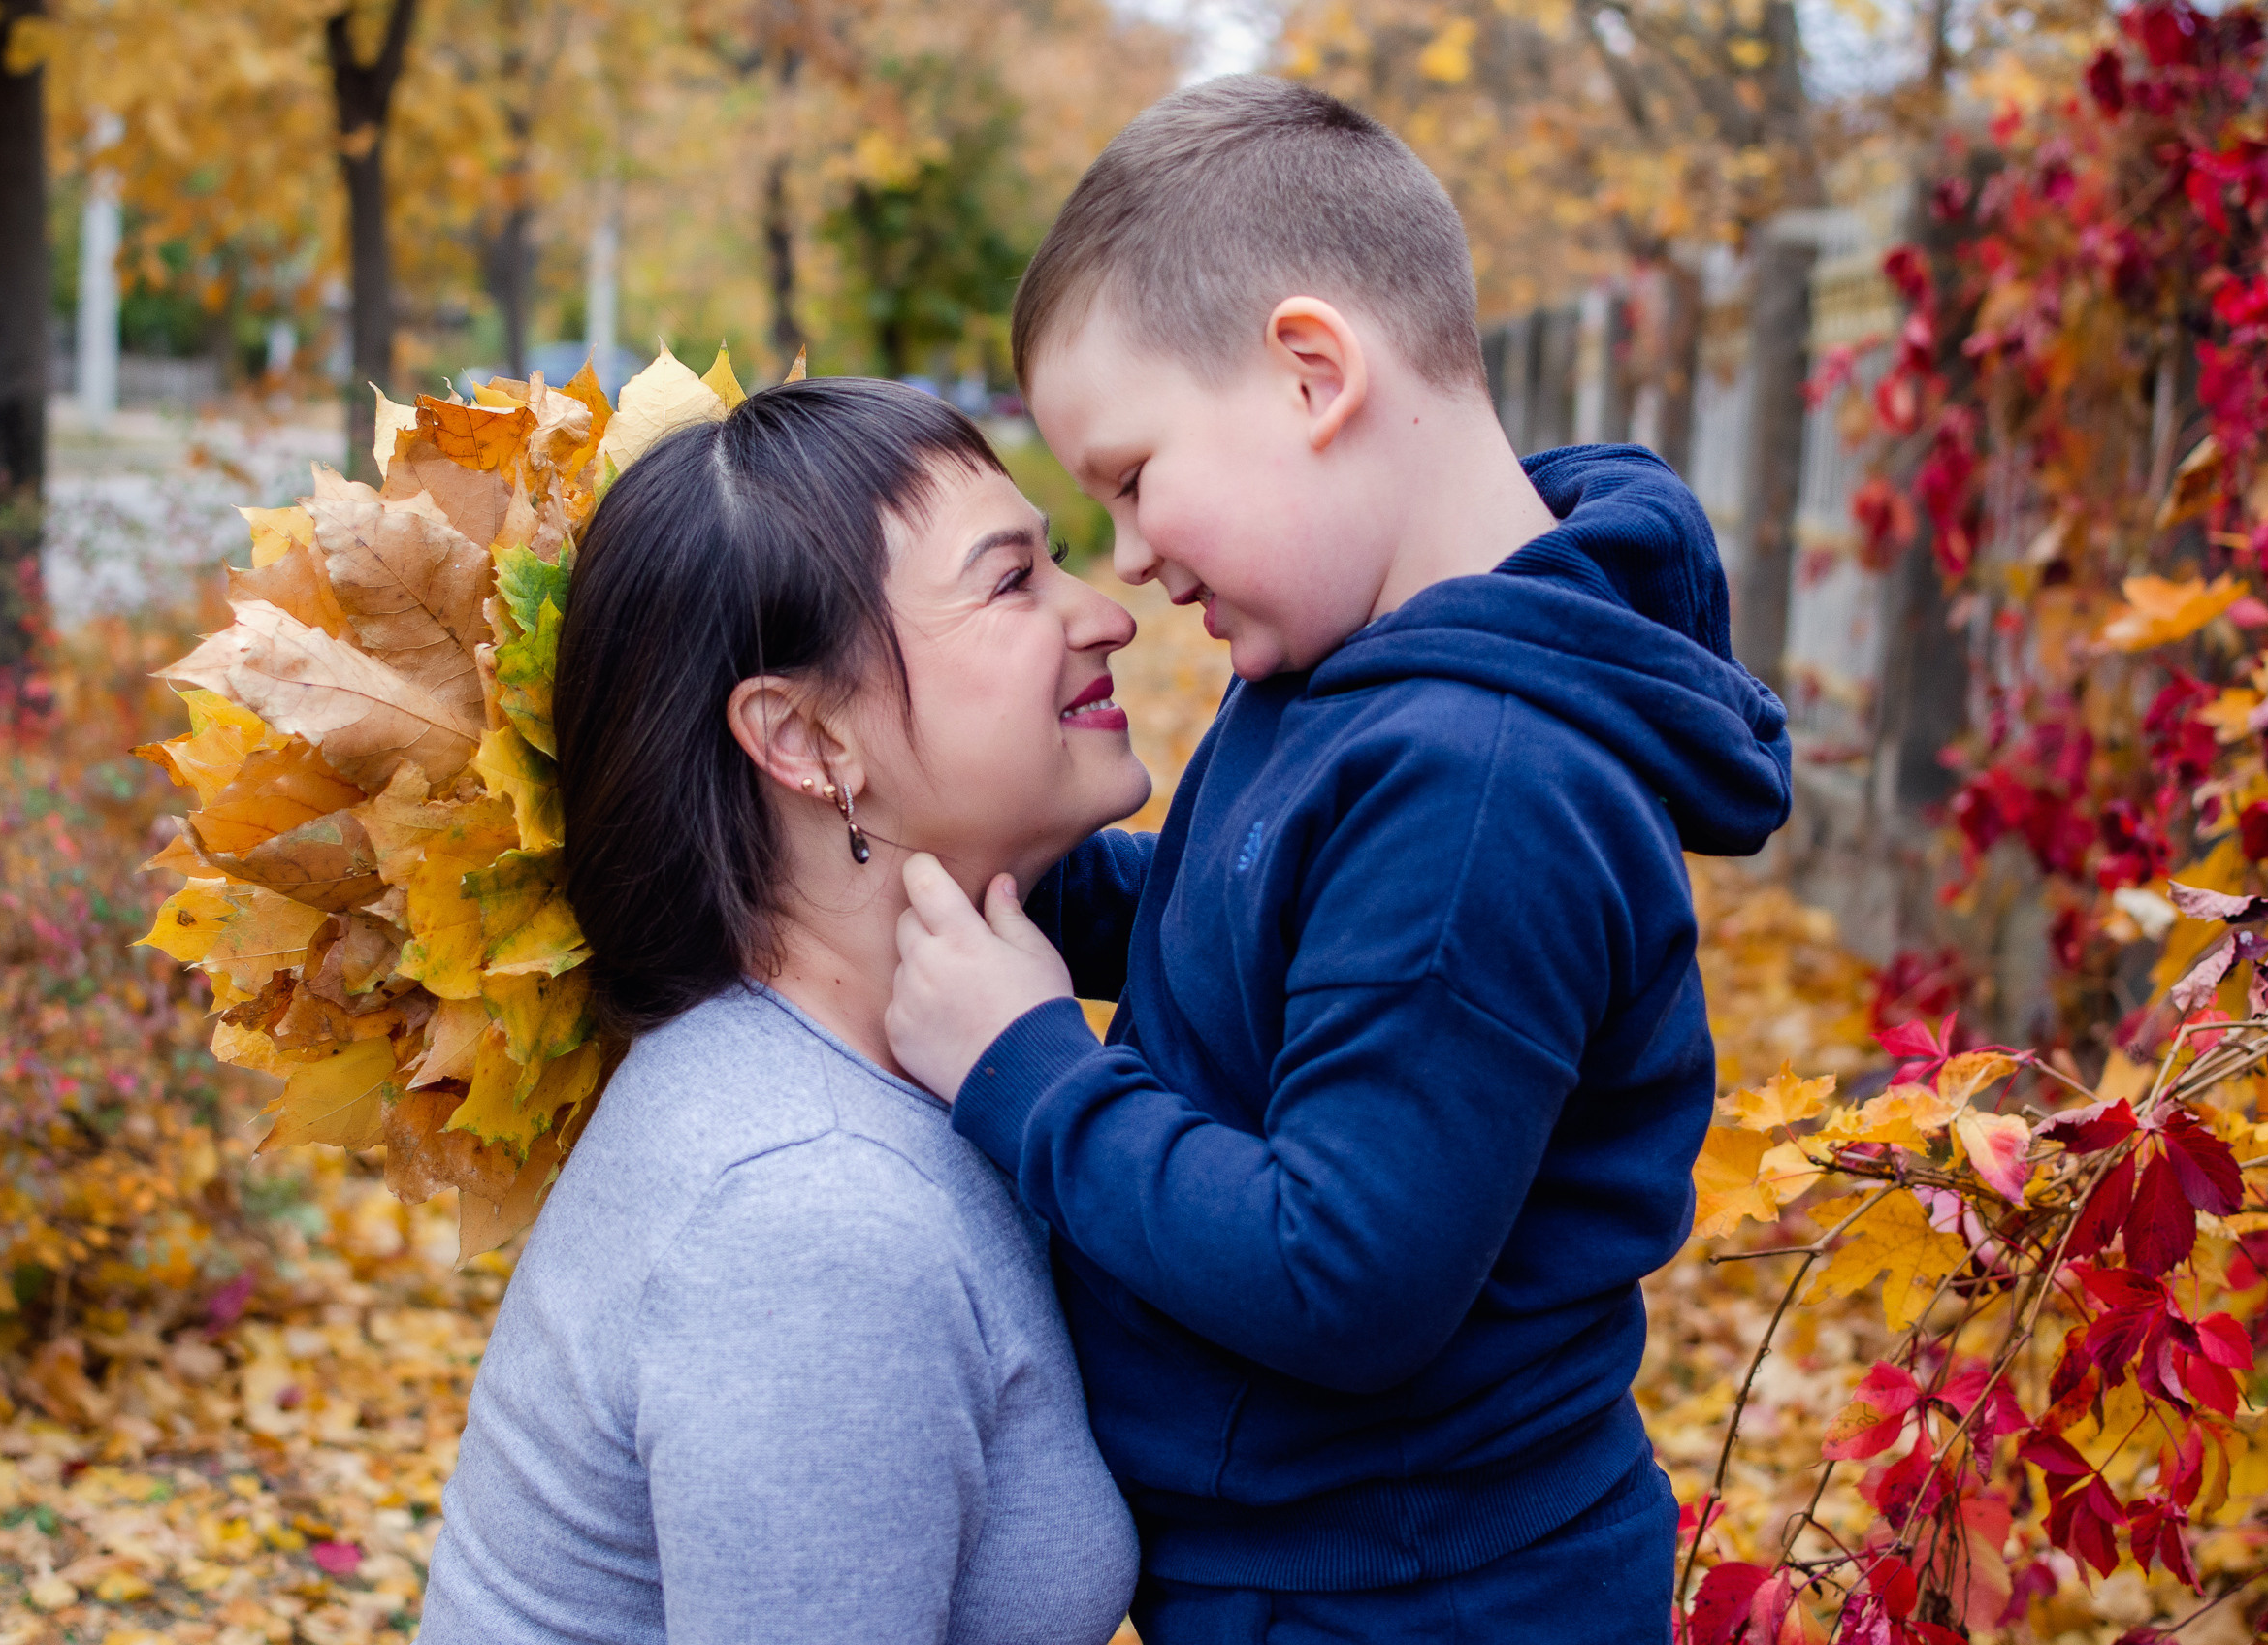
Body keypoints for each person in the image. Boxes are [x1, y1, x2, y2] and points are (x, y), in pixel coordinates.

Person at [884, 76, 1795, 1644]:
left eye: (1130, 480)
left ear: (1312, 374)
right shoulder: (1343, 672)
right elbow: (1253, 929)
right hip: (1320, 1569)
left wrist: (1027, 1070)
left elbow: (1343, 1274)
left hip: (1413, 1599)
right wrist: (1010, 876)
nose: (1131, 560)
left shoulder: (1482, 790)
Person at [417, 377, 1148, 1645]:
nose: (1107, 617)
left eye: (1061, 558)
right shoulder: (809, 1224)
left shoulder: (898, 1066)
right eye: (1012, 581)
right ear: (805, 739)